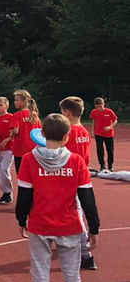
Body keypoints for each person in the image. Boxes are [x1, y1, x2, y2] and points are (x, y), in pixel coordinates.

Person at [14, 114, 100, 282]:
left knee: (40, 273)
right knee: (72, 276)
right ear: (66, 136)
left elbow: (24, 196)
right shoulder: (76, 161)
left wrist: (21, 219)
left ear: (42, 134)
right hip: (69, 226)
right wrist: (94, 228)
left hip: (40, 225)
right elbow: (87, 199)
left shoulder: (29, 160)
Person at [59, 96, 97, 271]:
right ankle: (69, 242)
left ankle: (85, 253)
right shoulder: (84, 131)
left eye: (62, 112)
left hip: (69, 178)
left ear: (67, 113)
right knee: (73, 211)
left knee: (76, 213)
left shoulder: (69, 133)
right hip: (81, 176)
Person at [9, 89, 41, 174]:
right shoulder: (34, 116)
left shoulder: (17, 115)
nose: (15, 102)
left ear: (24, 101)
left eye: (17, 100)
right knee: (33, 173)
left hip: (20, 150)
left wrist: (11, 133)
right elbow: (39, 132)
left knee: (21, 174)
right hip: (33, 149)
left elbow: (16, 131)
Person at [0, 97, 15, 204]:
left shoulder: (11, 117)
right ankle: (5, 192)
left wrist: (7, 140)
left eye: (1, 105)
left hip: (9, 148)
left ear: (7, 106)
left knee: (4, 169)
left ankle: (9, 191)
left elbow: (14, 133)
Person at [90, 97, 118, 172]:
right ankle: (102, 165)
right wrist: (92, 130)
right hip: (98, 133)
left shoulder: (109, 111)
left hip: (109, 134)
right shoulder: (94, 112)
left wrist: (110, 127)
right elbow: (94, 121)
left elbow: (115, 120)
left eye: (101, 106)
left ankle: (110, 166)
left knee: (110, 150)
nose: (100, 108)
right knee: (99, 148)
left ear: (104, 104)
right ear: (95, 106)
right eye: (98, 106)